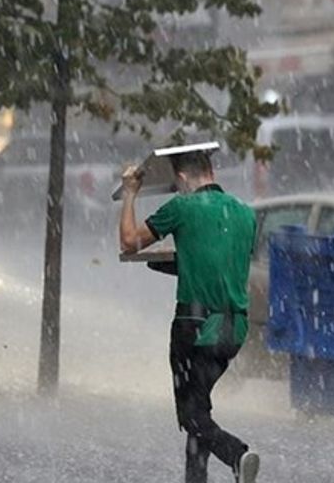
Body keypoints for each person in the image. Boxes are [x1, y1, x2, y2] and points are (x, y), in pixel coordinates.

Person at [119, 150, 260, 483]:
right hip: (233, 330)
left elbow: (128, 242)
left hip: (194, 328)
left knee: (192, 417)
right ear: (211, 170)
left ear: (181, 178)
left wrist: (129, 195)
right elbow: (219, 264)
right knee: (200, 411)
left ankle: (237, 455)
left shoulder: (182, 208)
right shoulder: (245, 214)